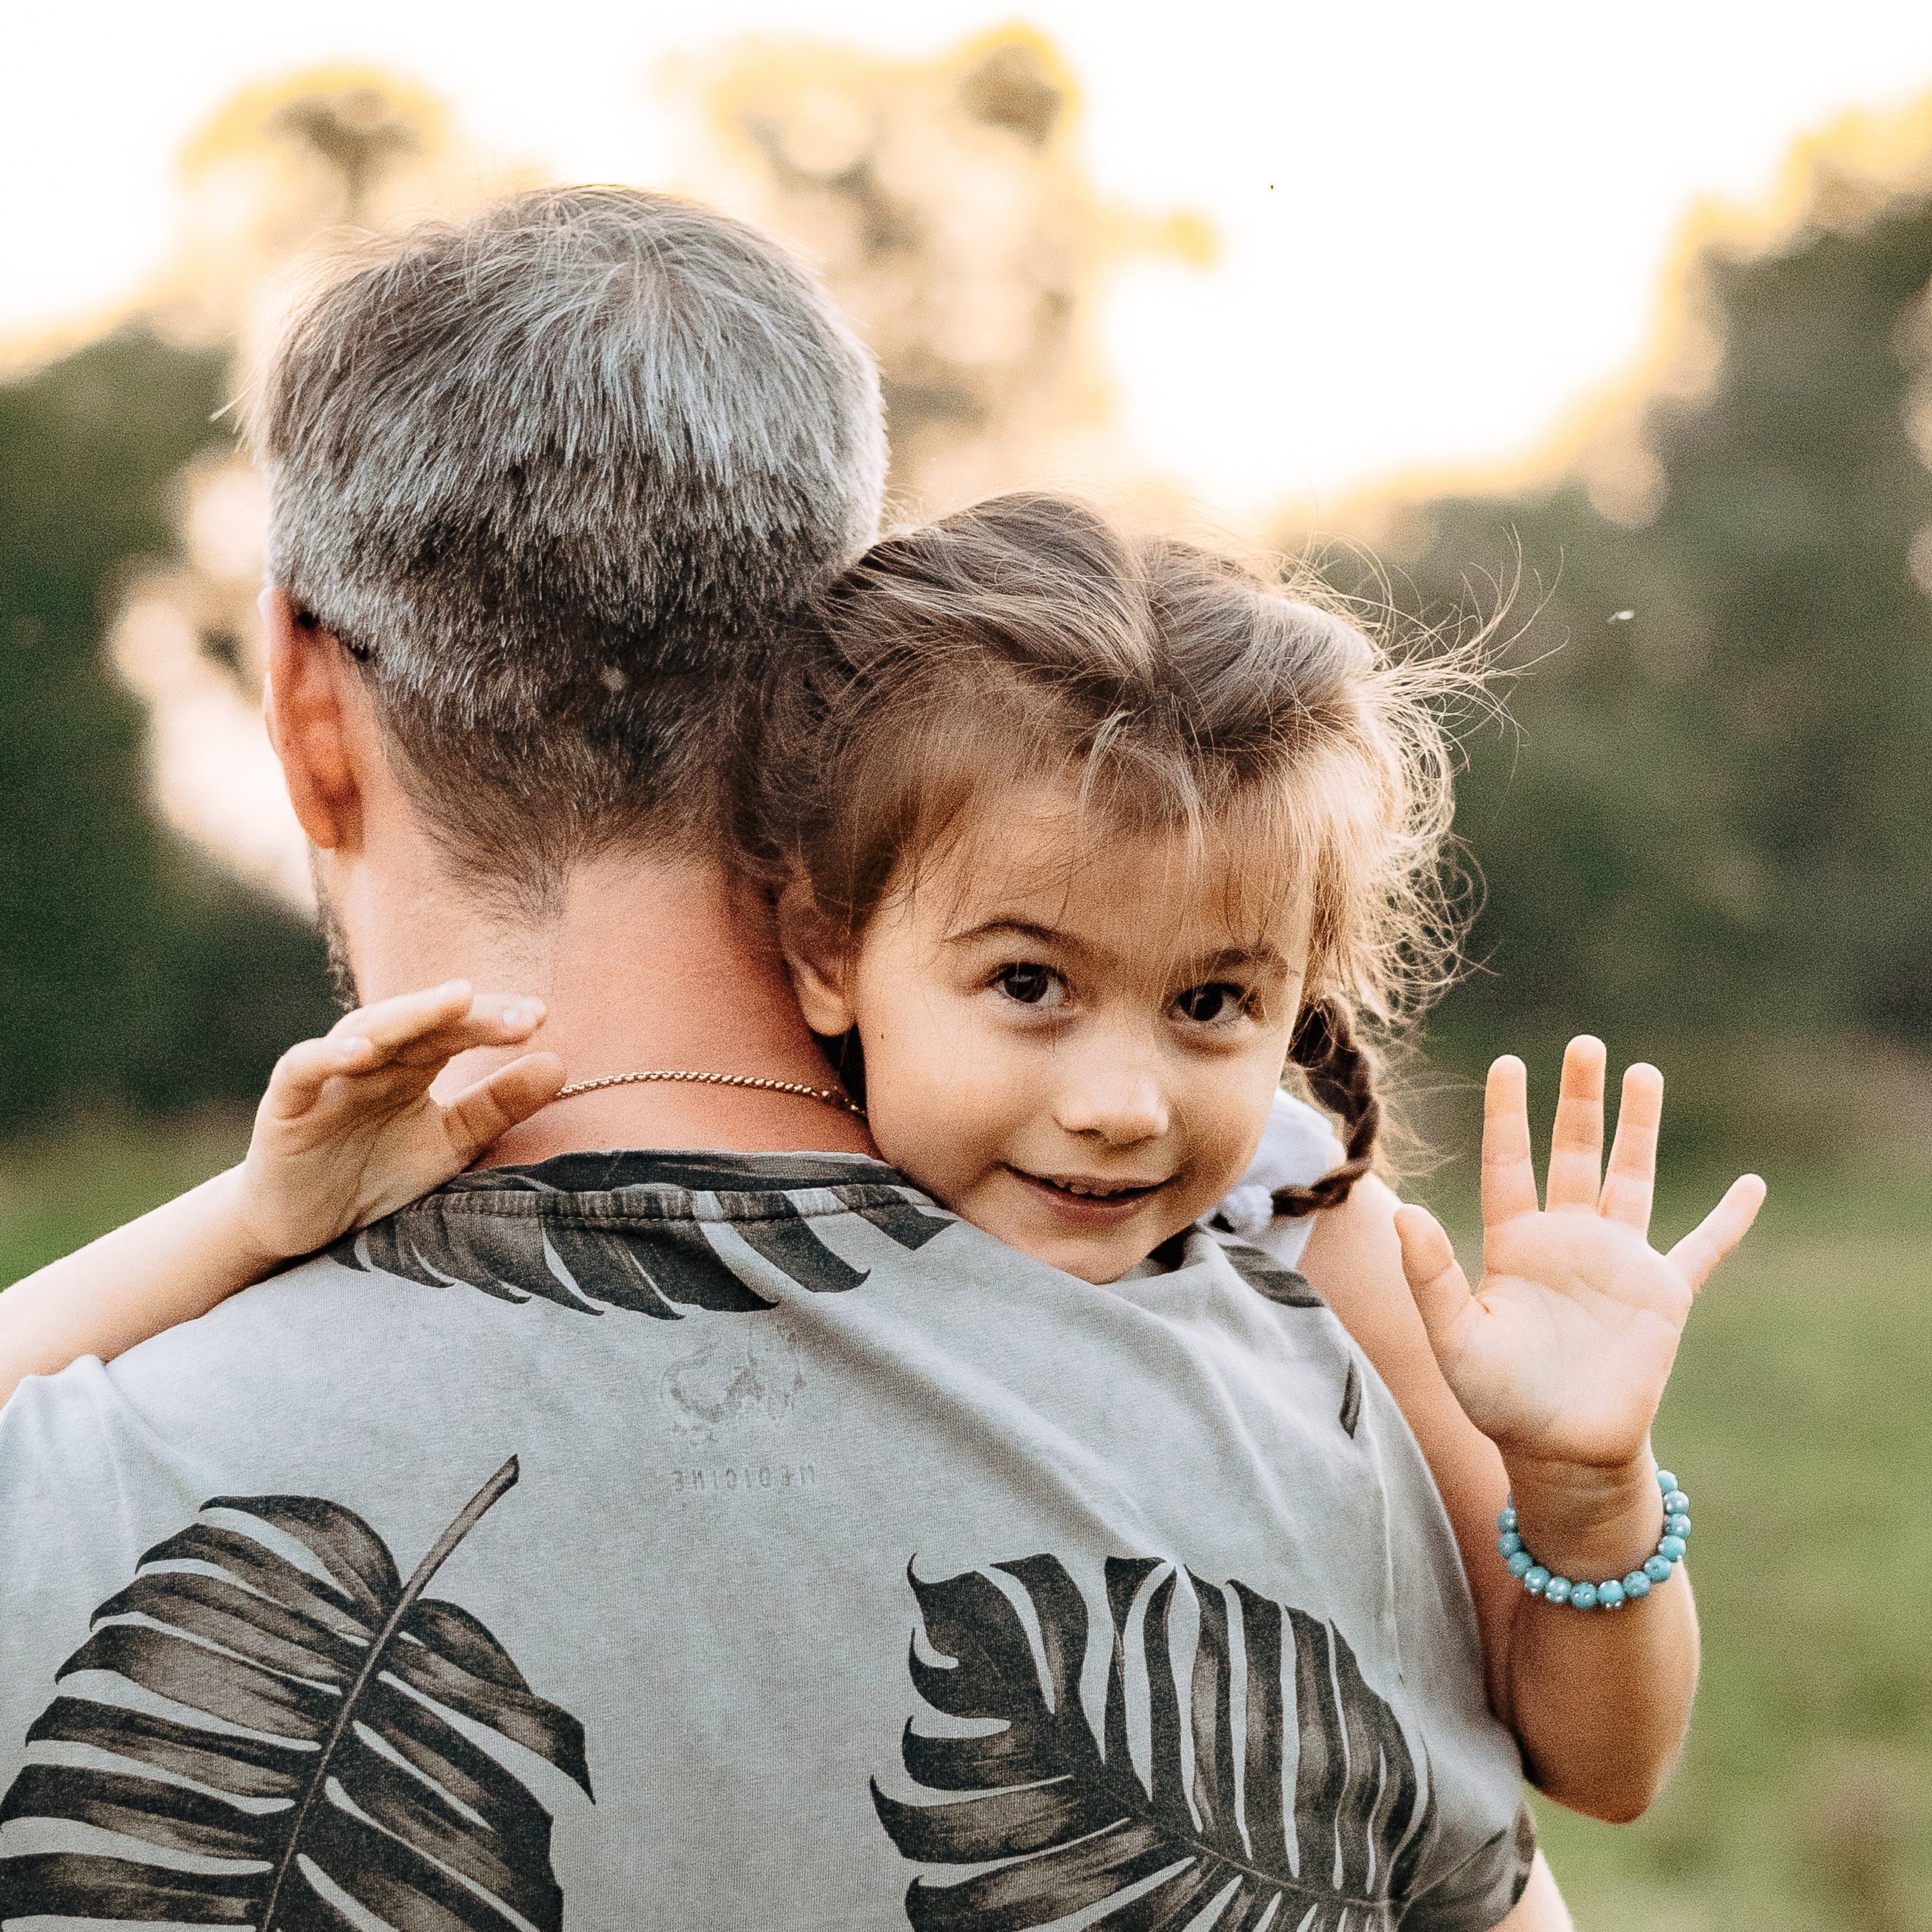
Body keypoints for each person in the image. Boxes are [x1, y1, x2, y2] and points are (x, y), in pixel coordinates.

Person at [0, 191, 1749, 1930]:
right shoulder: (1291, 1356)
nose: (1120, 1101)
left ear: (309, 707)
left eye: (1209, 1002)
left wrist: (245, 1225)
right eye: (1033, 984)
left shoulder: (72, 1490)